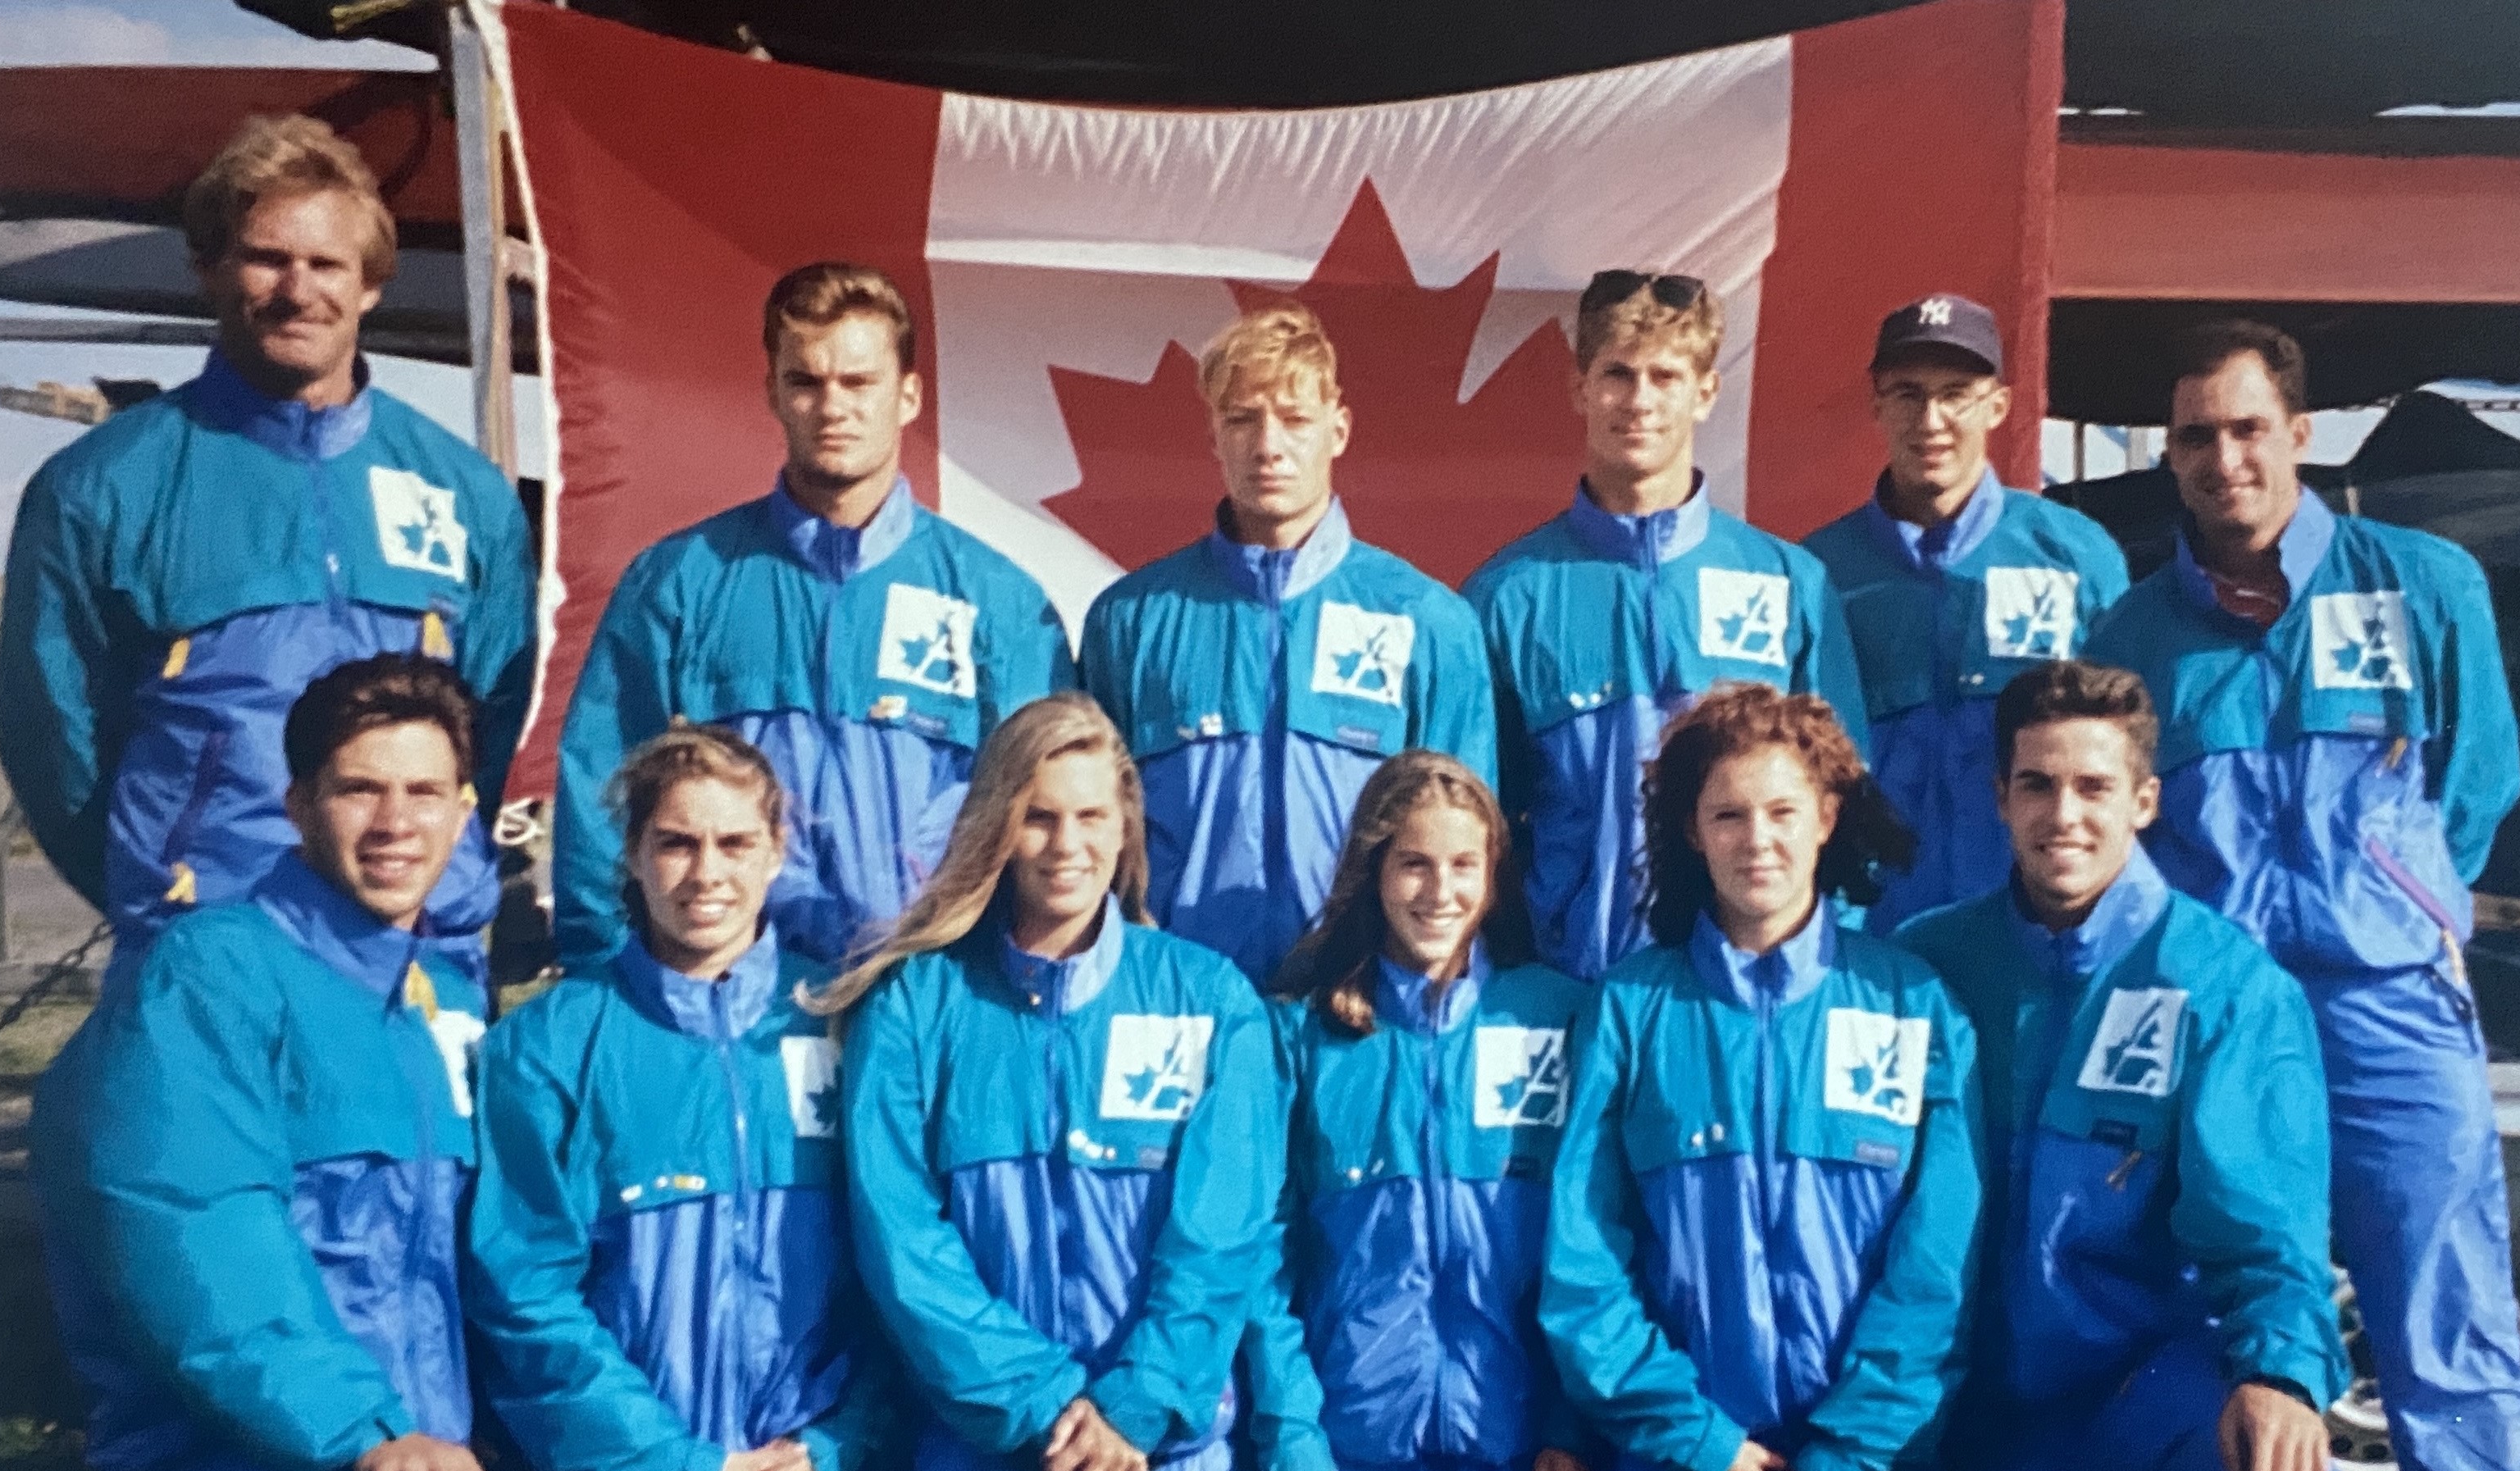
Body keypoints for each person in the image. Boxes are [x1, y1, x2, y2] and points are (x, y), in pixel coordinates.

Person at [2088, 321, 2520, 1471]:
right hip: (2225, 1023)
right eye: (2196, 436)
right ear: (2170, 456)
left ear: (2299, 434)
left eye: (2247, 429)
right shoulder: (2135, 635)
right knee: (2208, 1297)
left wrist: (2405, 903)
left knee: (2442, 1310)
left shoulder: (2420, 583)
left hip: (2390, 1006)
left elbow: (2480, 778)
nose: (2223, 459)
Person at [27, 657, 533, 1471]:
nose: (396, 822)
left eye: (426, 792)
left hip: (398, 1451)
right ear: (297, 802)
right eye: (360, 789)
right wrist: (367, 1434)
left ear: (467, 812)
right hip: (246, 1469)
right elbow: (196, 1239)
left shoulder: (433, 997)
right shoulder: (210, 975)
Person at [1898, 662, 2396, 1471]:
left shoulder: (2221, 984)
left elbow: (2267, 1221)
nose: (2062, 815)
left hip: (2155, 1375)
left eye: (2091, 787)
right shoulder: (1928, 964)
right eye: (2037, 786)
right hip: (2011, 1405)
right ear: (1999, 796)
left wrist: (2279, 1373)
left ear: (2143, 799)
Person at [827, 694, 1283, 1471]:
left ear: (1128, 824)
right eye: (1037, 816)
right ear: (996, 825)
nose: (1064, 845)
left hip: (1153, 1436)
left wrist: (1137, 1402)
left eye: (1089, 816)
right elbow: (901, 1238)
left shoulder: (1207, 999)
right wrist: (1032, 1399)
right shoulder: (918, 1001)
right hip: (991, 1434)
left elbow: (1224, 1233)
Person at [1540, 683, 1979, 1471]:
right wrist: (1698, 1444)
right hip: (1686, 1456)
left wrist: (1848, 1458)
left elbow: (1941, 1264)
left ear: (1827, 817)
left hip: (1864, 1466)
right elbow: (1584, 1262)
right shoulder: (1632, 1008)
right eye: (1728, 815)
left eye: (1783, 811)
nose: (1758, 841)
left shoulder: (1910, 1002)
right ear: (1692, 832)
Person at [467, 725, 897, 1471]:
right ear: (631, 855)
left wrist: (840, 1443)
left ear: (777, 850)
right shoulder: (551, 1044)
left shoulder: (846, 1021)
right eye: (675, 844)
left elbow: (905, 1269)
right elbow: (525, 1293)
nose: (706, 873)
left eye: (734, 843)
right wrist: (678, 1467)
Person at [0, 113, 531, 991]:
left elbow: (498, 723)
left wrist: (445, 878)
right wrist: (164, 888)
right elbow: (52, 742)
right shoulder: (101, 487)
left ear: (371, 285)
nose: (297, 290)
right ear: (208, 268)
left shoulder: (463, 491)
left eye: (327, 264)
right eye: (266, 258)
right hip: (208, 954)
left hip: (419, 959)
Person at [555, 262, 1073, 971]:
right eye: (806, 382)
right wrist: (605, 974)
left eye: (859, 383)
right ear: (772, 392)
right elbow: (600, 791)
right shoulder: (680, 581)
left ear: (908, 396)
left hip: (928, 989)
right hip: (731, 990)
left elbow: (1052, 814)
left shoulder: (997, 601)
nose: (833, 408)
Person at [1245, 750, 1595, 1471]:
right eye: (1412, 865)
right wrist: (1293, 1443)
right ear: (1371, 871)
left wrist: (1571, 1426)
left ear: (1496, 876)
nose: (1439, 892)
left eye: (1463, 866)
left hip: (1515, 1433)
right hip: (1358, 1435)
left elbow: (1597, 1245)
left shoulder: (1555, 1016)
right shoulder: (1303, 1033)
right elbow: (1261, 1262)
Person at [1466, 271, 1868, 982]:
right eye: (1617, 375)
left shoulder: (1787, 583)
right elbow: (1471, 824)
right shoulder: (1507, 596)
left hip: (1748, 985)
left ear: (1705, 392)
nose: (1639, 401)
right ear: (1579, 388)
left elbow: (1847, 801)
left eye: (1665, 376)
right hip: (1573, 983)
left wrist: (1823, 973)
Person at [1078, 304, 1497, 986]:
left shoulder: (1426, 621)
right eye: (1242, 419)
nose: (1267, 446)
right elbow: (1087, 835)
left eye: (1295, 419)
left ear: (1339, 429)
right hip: (1179, 996)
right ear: (1213, 436)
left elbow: (1469, 849)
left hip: (1358, 1004)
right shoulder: (1131, 621)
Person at [1802, 294, 2128, 927]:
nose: (1930, 420)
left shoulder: (2074, 555)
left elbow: (2126, 749)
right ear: (1875, 405)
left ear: (1997, 406)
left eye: (1955, 395)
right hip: (1872, 930)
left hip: (2033, 923)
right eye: (1907, 394)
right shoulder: (1818, 573)